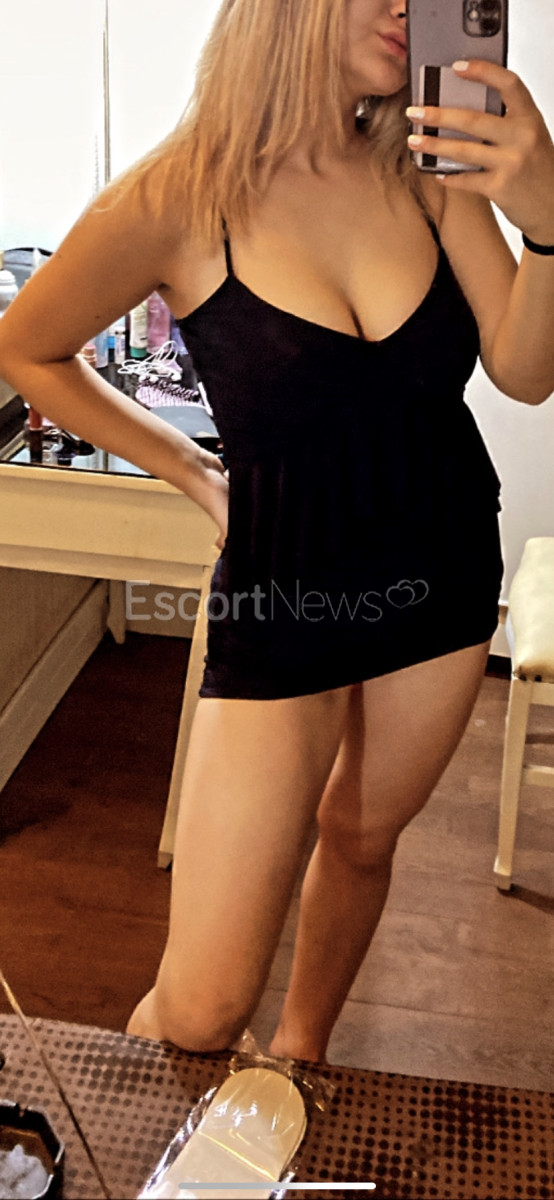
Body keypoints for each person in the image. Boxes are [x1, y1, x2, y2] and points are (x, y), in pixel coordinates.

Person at [0, 0, 553, 1064]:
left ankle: (301, 1060)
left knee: (361, 838)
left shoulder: (426, 172)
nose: (409, 8)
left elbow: (526, 374)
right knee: (201, 1008)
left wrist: (548, 224)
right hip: (283, 596)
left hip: (437, 575)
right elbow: (29, 347)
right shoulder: (178, 196)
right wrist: (191, 470)